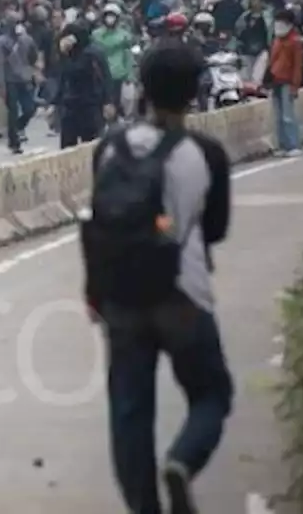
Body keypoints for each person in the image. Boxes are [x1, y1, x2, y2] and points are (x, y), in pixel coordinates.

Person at [82, 39, 232, 514]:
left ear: (142, 87)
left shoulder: (109, 148)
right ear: (193, 93)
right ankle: (183, 460)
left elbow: (103, 219)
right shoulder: (205, 153)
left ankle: (144, 508)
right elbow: (216, 230)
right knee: (212, 393)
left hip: (120, 295)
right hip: (182, 293)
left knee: (129, 410)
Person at [54, 21, 112, 148]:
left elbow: (105, 77)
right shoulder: (69, 54)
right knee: (67, 147)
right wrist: (54, 103)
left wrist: (108, 101)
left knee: (91, 145)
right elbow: (63, 78)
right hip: (70, 106)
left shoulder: (92, 53)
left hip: (90, 105)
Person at [0, 15, 39, 155]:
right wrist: (1, 85)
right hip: (10, 80)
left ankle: (17, 127)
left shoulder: (27, 39)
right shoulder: (1, 42)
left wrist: (33, 72)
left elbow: (34, 56)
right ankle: (14, 142)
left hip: (25, 79)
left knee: (30, 108)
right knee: (12, 111)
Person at [267, 8, 303, 156]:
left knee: (288, 116)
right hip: (275, 80)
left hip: (287, 81)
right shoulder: (277, 39)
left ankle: (294, 145)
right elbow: (271, 60)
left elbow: (297, 65)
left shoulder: (295, 41)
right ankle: (283, 145)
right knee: (278, 116)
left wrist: (295, 86)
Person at [93, 3, 136, 120]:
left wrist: (129, 75)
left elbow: (128, 56)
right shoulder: (96, 35)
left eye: (113, 15)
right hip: (100, 74)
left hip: (118, 75)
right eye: (108, 15)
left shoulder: (124, 36)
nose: (110, 18)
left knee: (116, 104)